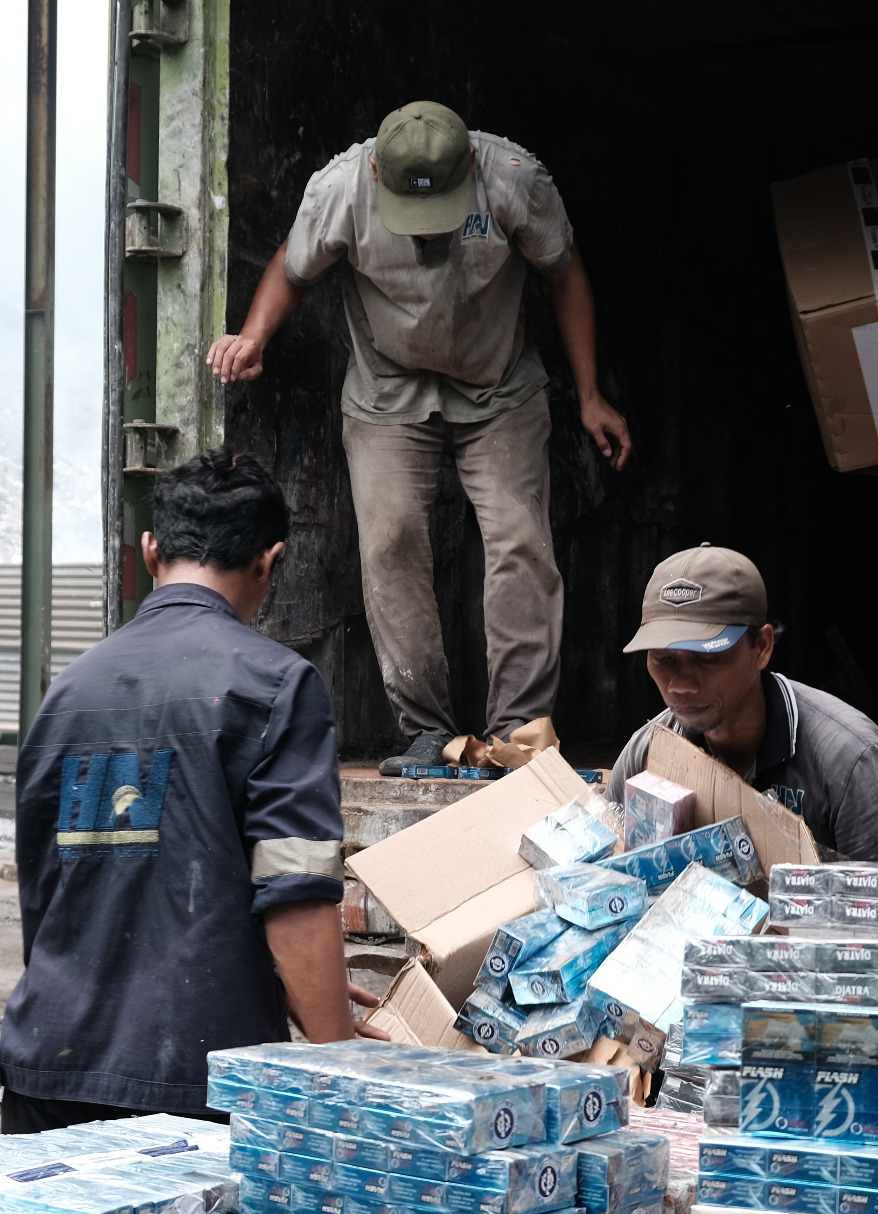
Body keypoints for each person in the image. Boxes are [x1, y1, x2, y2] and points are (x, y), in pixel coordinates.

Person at [206, 100, 634, 776]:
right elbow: (292, 265)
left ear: (470, 164)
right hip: (387, 392)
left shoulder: (515, 178)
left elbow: (564, 271)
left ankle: (520, 736)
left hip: (498, 388)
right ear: (377, 170)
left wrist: (588, 396)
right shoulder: (342, 187)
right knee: (391, 541)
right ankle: (425, 732)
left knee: (520, 541)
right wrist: (253, 337)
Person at [0, 449, 381, 1132]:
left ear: (150, 551)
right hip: (193, 1088)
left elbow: (53, 894)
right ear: (270, 560)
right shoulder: (276, 686)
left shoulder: (67, 690)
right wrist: (341, 1075)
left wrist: (277, 978)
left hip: (45, 1071)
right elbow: (294, 896)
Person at [603, 545, 878, 863]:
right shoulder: (648, 751)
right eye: (662, 658)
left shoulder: (848, 760)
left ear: (761, 647)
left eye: (706, 658)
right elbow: (602, 874)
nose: (680, 685)